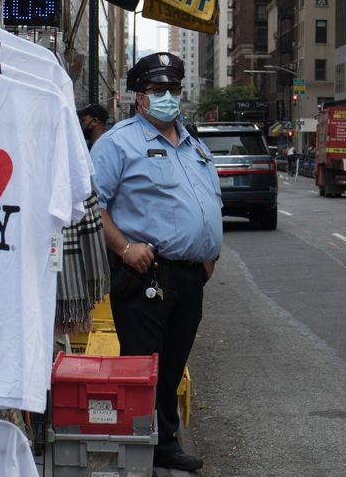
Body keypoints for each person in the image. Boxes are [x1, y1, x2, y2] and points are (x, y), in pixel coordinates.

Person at [89, 52, 223, 472]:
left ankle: (164, 443)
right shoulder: (119, 142)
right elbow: (90, 203)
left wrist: (208, 256)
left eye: (173, 90)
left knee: (172, 365)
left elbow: (207, 202)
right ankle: (136, 448)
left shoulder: (193, 143)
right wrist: (125, 248)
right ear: (139, 97)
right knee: (142, 366)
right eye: (158, 90)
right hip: (145, 273)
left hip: (189, 278)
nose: (168, 97)